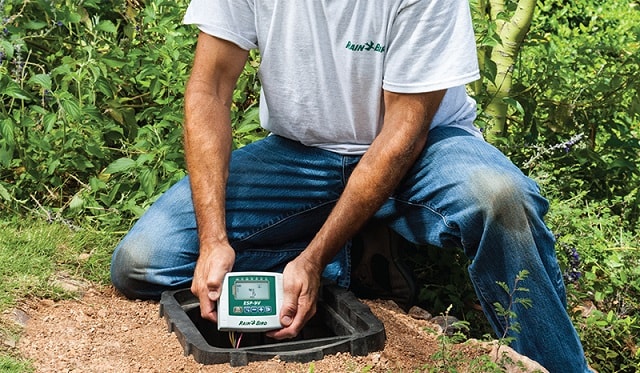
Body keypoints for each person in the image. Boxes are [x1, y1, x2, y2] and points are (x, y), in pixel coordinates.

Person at [110, 1, 592, 371]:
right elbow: (209, 88)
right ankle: (357, 251)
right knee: (142, 260)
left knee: (501, 198)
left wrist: (314, 257)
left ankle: (557, 364)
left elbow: (404, 132)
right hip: (300, 154)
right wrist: (213, 239)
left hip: (422, 150)